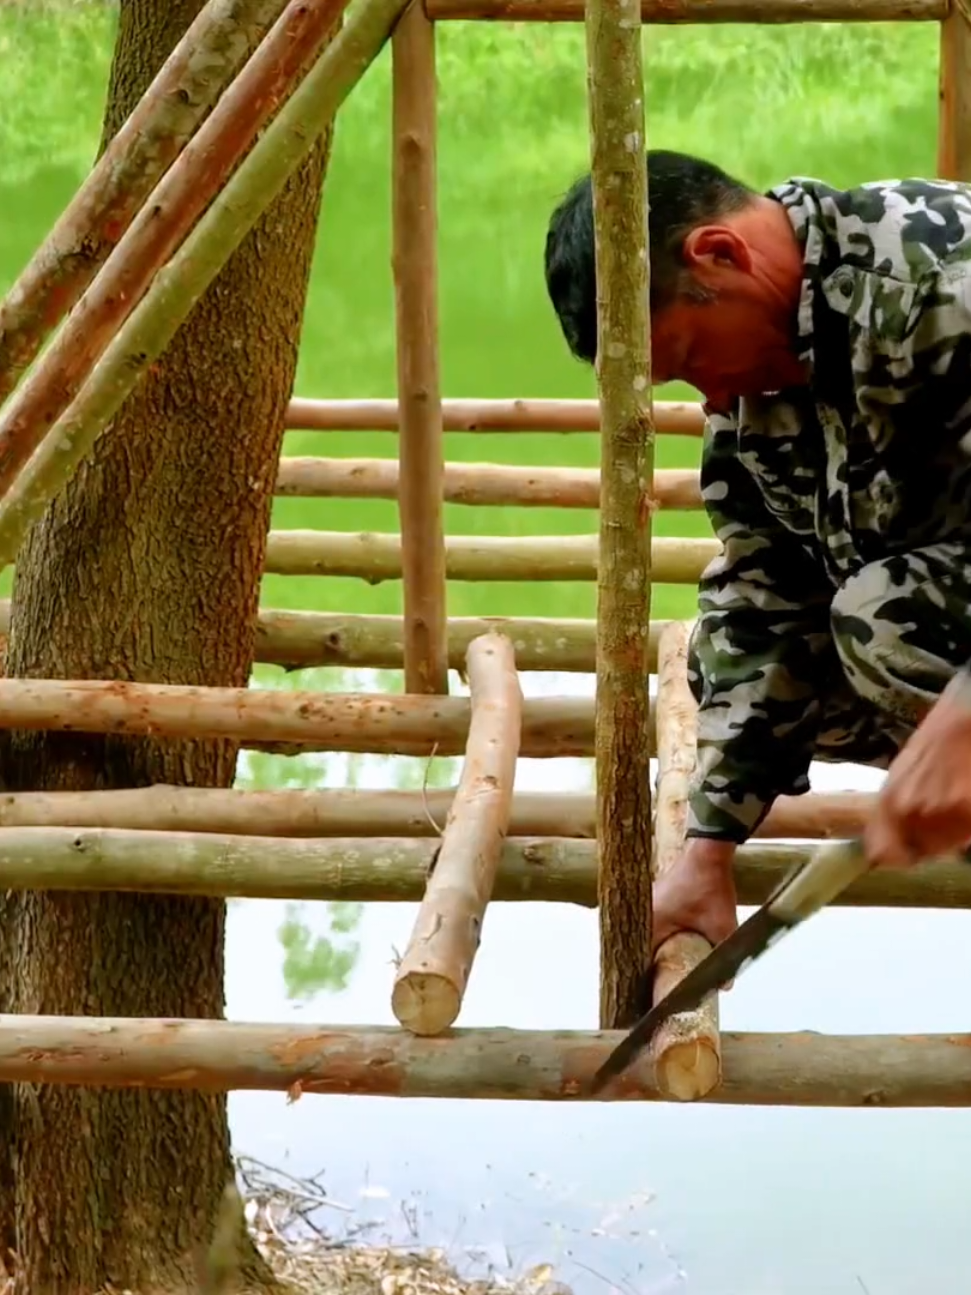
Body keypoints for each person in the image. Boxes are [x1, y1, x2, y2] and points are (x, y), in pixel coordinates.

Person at [543, 149, 971, 952]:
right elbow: (768, 594)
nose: (708, 398)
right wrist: (710, 847)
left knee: (882, 623)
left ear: (721, 254)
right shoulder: (755, 389)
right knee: (733, 661)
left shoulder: (938, 282)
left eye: (692, 358)